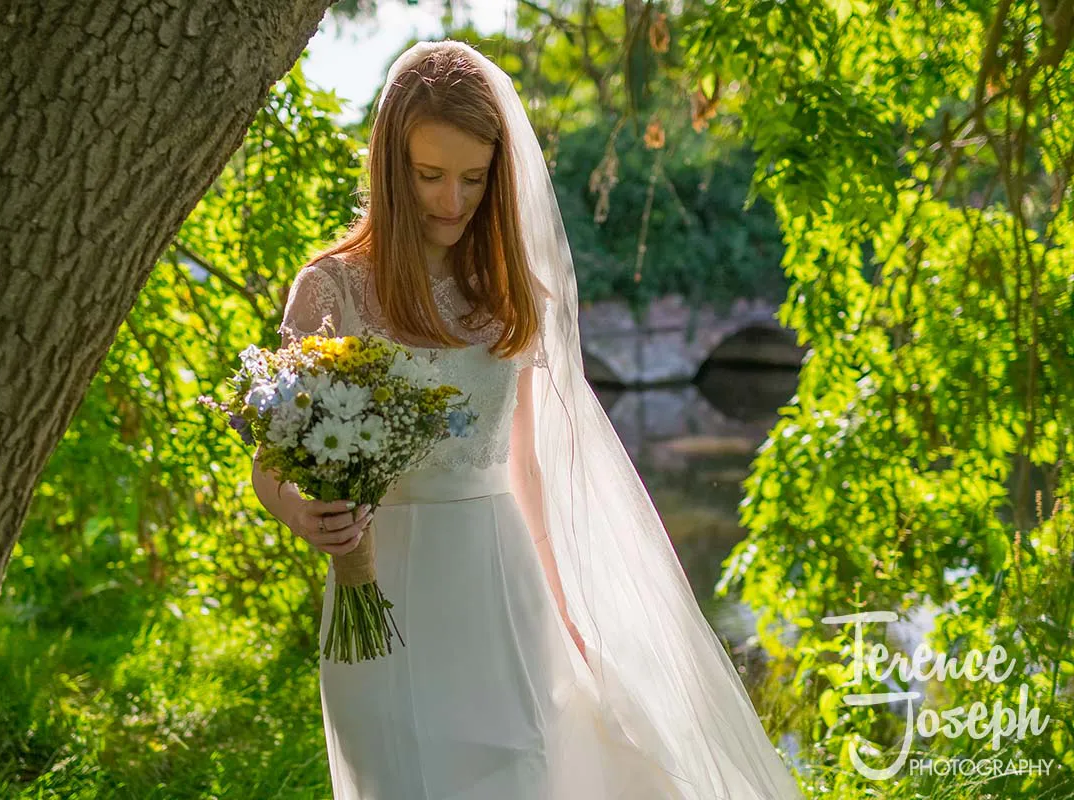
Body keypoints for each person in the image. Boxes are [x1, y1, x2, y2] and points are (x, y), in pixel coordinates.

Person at [252, 39, 805, 799]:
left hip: (499, 586)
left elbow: (529, 468)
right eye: (430, 175)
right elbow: (271, 467)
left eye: (474, 179)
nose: (452, 202)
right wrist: (304, 514)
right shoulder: (330, 290)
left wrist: (572, 605)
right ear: (390, 167)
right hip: (379, 598)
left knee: (519, 773)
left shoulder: (503, 288)